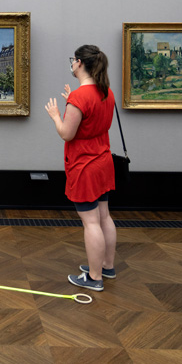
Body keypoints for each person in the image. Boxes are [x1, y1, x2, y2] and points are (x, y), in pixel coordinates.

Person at [45, 45, 116, 291]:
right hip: (103, 162)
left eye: (73, 60)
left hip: (84, 166)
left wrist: (56, 115)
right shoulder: (107, 92)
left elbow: (67, 133)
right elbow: (91, 118)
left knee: (91, 223)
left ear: (79, 63)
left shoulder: (79, 97)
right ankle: (107, 266)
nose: (72, 64)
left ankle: (94, 278)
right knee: (104, 216)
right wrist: (71, 103)